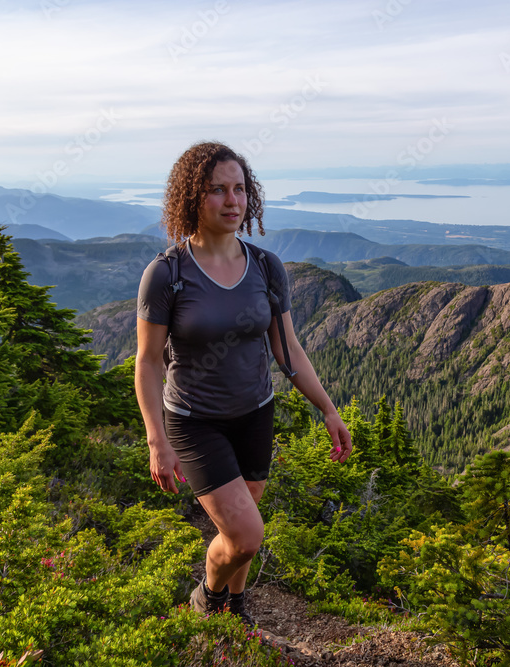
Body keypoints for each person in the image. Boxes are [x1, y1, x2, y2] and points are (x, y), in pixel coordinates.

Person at [135, 141, 353, 628]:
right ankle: (207, 596)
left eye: (240, 189)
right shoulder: (166, 274)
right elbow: (148, 362)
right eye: (217, 190)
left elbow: (288, 349)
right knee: (247, 534)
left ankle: (235, 610)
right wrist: (157, 440)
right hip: (194, 421)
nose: (232, 201)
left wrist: (329, 410)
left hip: (255, 412)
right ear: (192, 198)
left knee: (241, 527)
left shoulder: (266, 267)